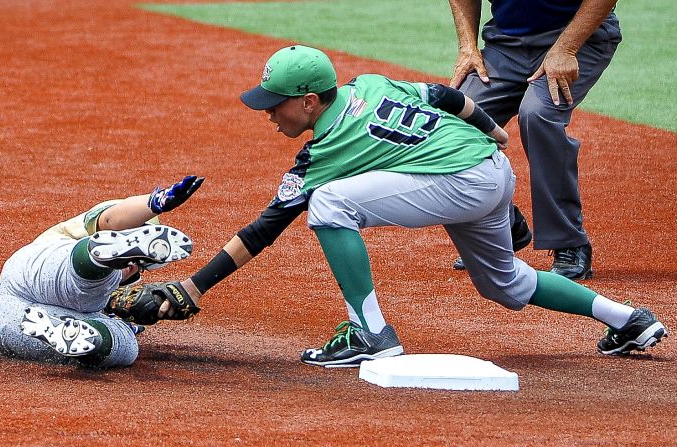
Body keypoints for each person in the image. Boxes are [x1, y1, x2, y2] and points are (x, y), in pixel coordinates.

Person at [128, 45, 666, 368]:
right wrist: (494, 131)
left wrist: (191, 288)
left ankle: (370, 334)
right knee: (505, 285)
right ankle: (629, 321)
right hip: (490, 171)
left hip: (462, 181)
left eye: (277, 104)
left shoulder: (324, 151)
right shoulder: (371, 83)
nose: (269, 113)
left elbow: (264, 228)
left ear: (310, 100)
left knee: (331, 204)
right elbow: (443, 96)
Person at [447, 0, 623, 280]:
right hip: (506, 44)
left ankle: (569, 242)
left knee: (538, 114)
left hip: (577, 37)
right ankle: (501, 227)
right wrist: (467, 47)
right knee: (451, 123)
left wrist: (566, 49)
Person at [0, 176, 203, 368]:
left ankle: (88, 337)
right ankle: (96, 258)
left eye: (140, 264)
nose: (135, 268)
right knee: (92, 281)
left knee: (127, 345)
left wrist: (122, 314)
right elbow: (110, 220)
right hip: (38, 272)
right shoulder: (81, 229)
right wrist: (156, 202)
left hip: (14, 321)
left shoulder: (113, 288)